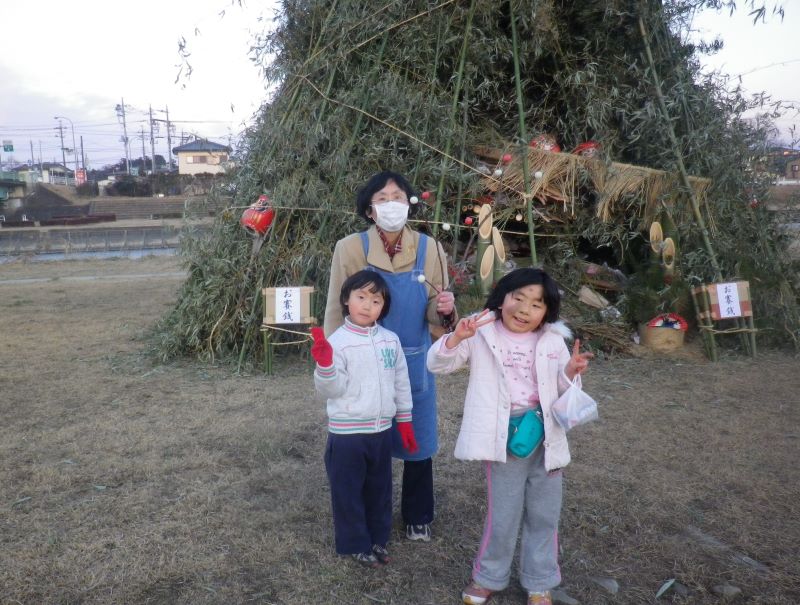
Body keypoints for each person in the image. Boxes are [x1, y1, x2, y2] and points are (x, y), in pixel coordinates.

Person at [426, 268, 593, 605]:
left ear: (547, 312)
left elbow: (563, 396)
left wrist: (571, 374)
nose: (524, 309)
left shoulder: (552, 340)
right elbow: (437, 365)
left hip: (546, 433)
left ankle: (540, 581)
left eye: (536, 304)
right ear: (502, 297)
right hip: (503, 435)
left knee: (545, 513)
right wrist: (456, 337)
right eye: (518, 297)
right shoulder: (481, 330)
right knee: (503, 512)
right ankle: (488, 577)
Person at [324, 170, 456, 542]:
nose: (391, 204)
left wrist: (445, 309)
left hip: (414, 359)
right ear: (369, 209)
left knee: (419, 442)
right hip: (363, 360)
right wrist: (333, 358)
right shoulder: (349, 248)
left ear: (410, 204)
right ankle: (368, 514)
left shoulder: (431, 249)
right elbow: (338, 305)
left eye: (398, 197)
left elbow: (435, 312)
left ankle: (418, 514)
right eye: (382, 198)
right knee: (368, 440)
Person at [312, 270, 419, 568]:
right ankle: (356, 543)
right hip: (347, 435)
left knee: (379, 489)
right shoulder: (339, 342)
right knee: (348, 492)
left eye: (376, 300)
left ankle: (377, 539)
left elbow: (401, 381)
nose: (367, 305)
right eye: (361, 297)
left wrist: (405, 421)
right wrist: (325, 365)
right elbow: (331, 389)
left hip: (381, 432)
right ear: (346, 299)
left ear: (383, 307)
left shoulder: (390, 340)